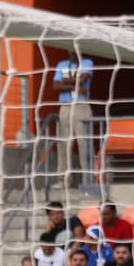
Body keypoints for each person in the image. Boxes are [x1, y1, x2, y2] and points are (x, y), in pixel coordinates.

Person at [53, 55, 93, 191]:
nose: (72, 50)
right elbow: (55, 86)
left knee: (84, 144)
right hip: (65, 106)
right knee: (63, 144)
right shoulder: (61, 64)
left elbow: (83, 80)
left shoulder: (87, 62)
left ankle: (88, 180)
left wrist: (65, 81)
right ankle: (63, 180)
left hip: (81, 106)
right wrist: (75, 86)